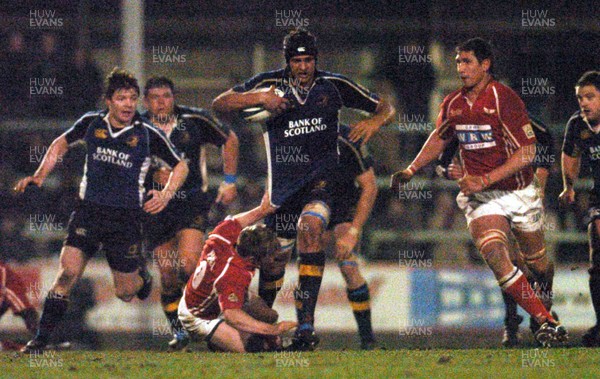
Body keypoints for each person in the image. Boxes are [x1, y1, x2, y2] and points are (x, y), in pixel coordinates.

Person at [212, 28, 395, 350]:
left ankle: (306, 329)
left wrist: (375, 122)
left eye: (308, 59)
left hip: (321, 184)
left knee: (311, 229)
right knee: (272, 260)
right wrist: (258, 97)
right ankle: (263, 330)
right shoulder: (269, 84)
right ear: (288, 61)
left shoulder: (333, 86)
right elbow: (220, 104)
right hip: (283, 189)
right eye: (297, 60)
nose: (303, 66)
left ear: (316, 60)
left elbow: (385, 108)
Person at [391, 37, 566, 347]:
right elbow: (439, 138)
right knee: (498, 256)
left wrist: (483, 179)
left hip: (518, 191)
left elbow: (528, 153)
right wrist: (411, 169)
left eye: (467, 61)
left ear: (485, 65)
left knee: (537, 264)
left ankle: (544, 307)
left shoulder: (505, 99)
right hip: (482, 198)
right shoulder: (453, 103)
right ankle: (543, 320)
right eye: (458, 61)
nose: (460, 67)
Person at [14, 68, 189, 352]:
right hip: (88, 213)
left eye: (133, 98)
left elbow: (181, 165)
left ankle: (141, 276)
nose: (129, 104)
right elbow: (61, 143)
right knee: (67, 274)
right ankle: (40, 341)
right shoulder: (91, 123)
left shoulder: (147, 134)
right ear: (109, 100)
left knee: (125, 293)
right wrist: (39, 175)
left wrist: (167, 194)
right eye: (122, 98)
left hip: (126, 220)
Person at [437, 113, 556, 346]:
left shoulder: (528, 123)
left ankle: (544, 307)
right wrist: (453, 171)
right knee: (508, 262)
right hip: (490, 200)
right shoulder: (464, 121)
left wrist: (539, 190)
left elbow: (545, 152)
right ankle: (513, 321)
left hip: (523, 196)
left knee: (537, 264)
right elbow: (442, 162)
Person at [142, 76, 239, 350]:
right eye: (155, 97)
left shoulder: (194, 120)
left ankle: (214, 323)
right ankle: (179, 332)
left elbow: (230, 139)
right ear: (146, 101)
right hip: (155, 206)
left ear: (174, 98)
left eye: (167, 96)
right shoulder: (138, 127)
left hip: (191, 203)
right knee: (168, 273)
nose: (162, 102)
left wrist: (229, 181)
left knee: (188, 264)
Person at [261, 124, 378, 349]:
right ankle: (283, 328)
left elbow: (370, 186)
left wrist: (353, 231)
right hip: (305, 202)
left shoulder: (348, 139)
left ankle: (368, 340)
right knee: (279, 262)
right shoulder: (290, 135)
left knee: (348, 265)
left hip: (342, 207)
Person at [178, 193, 298, 352]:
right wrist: (273, 330)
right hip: (197, 316)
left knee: (269, 316)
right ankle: (213, 344)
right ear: (253, 259)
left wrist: (264, 209)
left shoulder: (225, 233)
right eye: (269, 256)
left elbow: (247, 217)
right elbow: (232, 316)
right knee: (250, 349)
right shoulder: (234, 275)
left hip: (206, 293)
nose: (273, 260)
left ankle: (227, 339)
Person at [559, 71, 600, 347]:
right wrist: (569, 187)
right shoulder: (577, 124)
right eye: (580, 98)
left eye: (590, 97)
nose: (584, 103)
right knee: (596, 258)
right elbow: (570, 156)